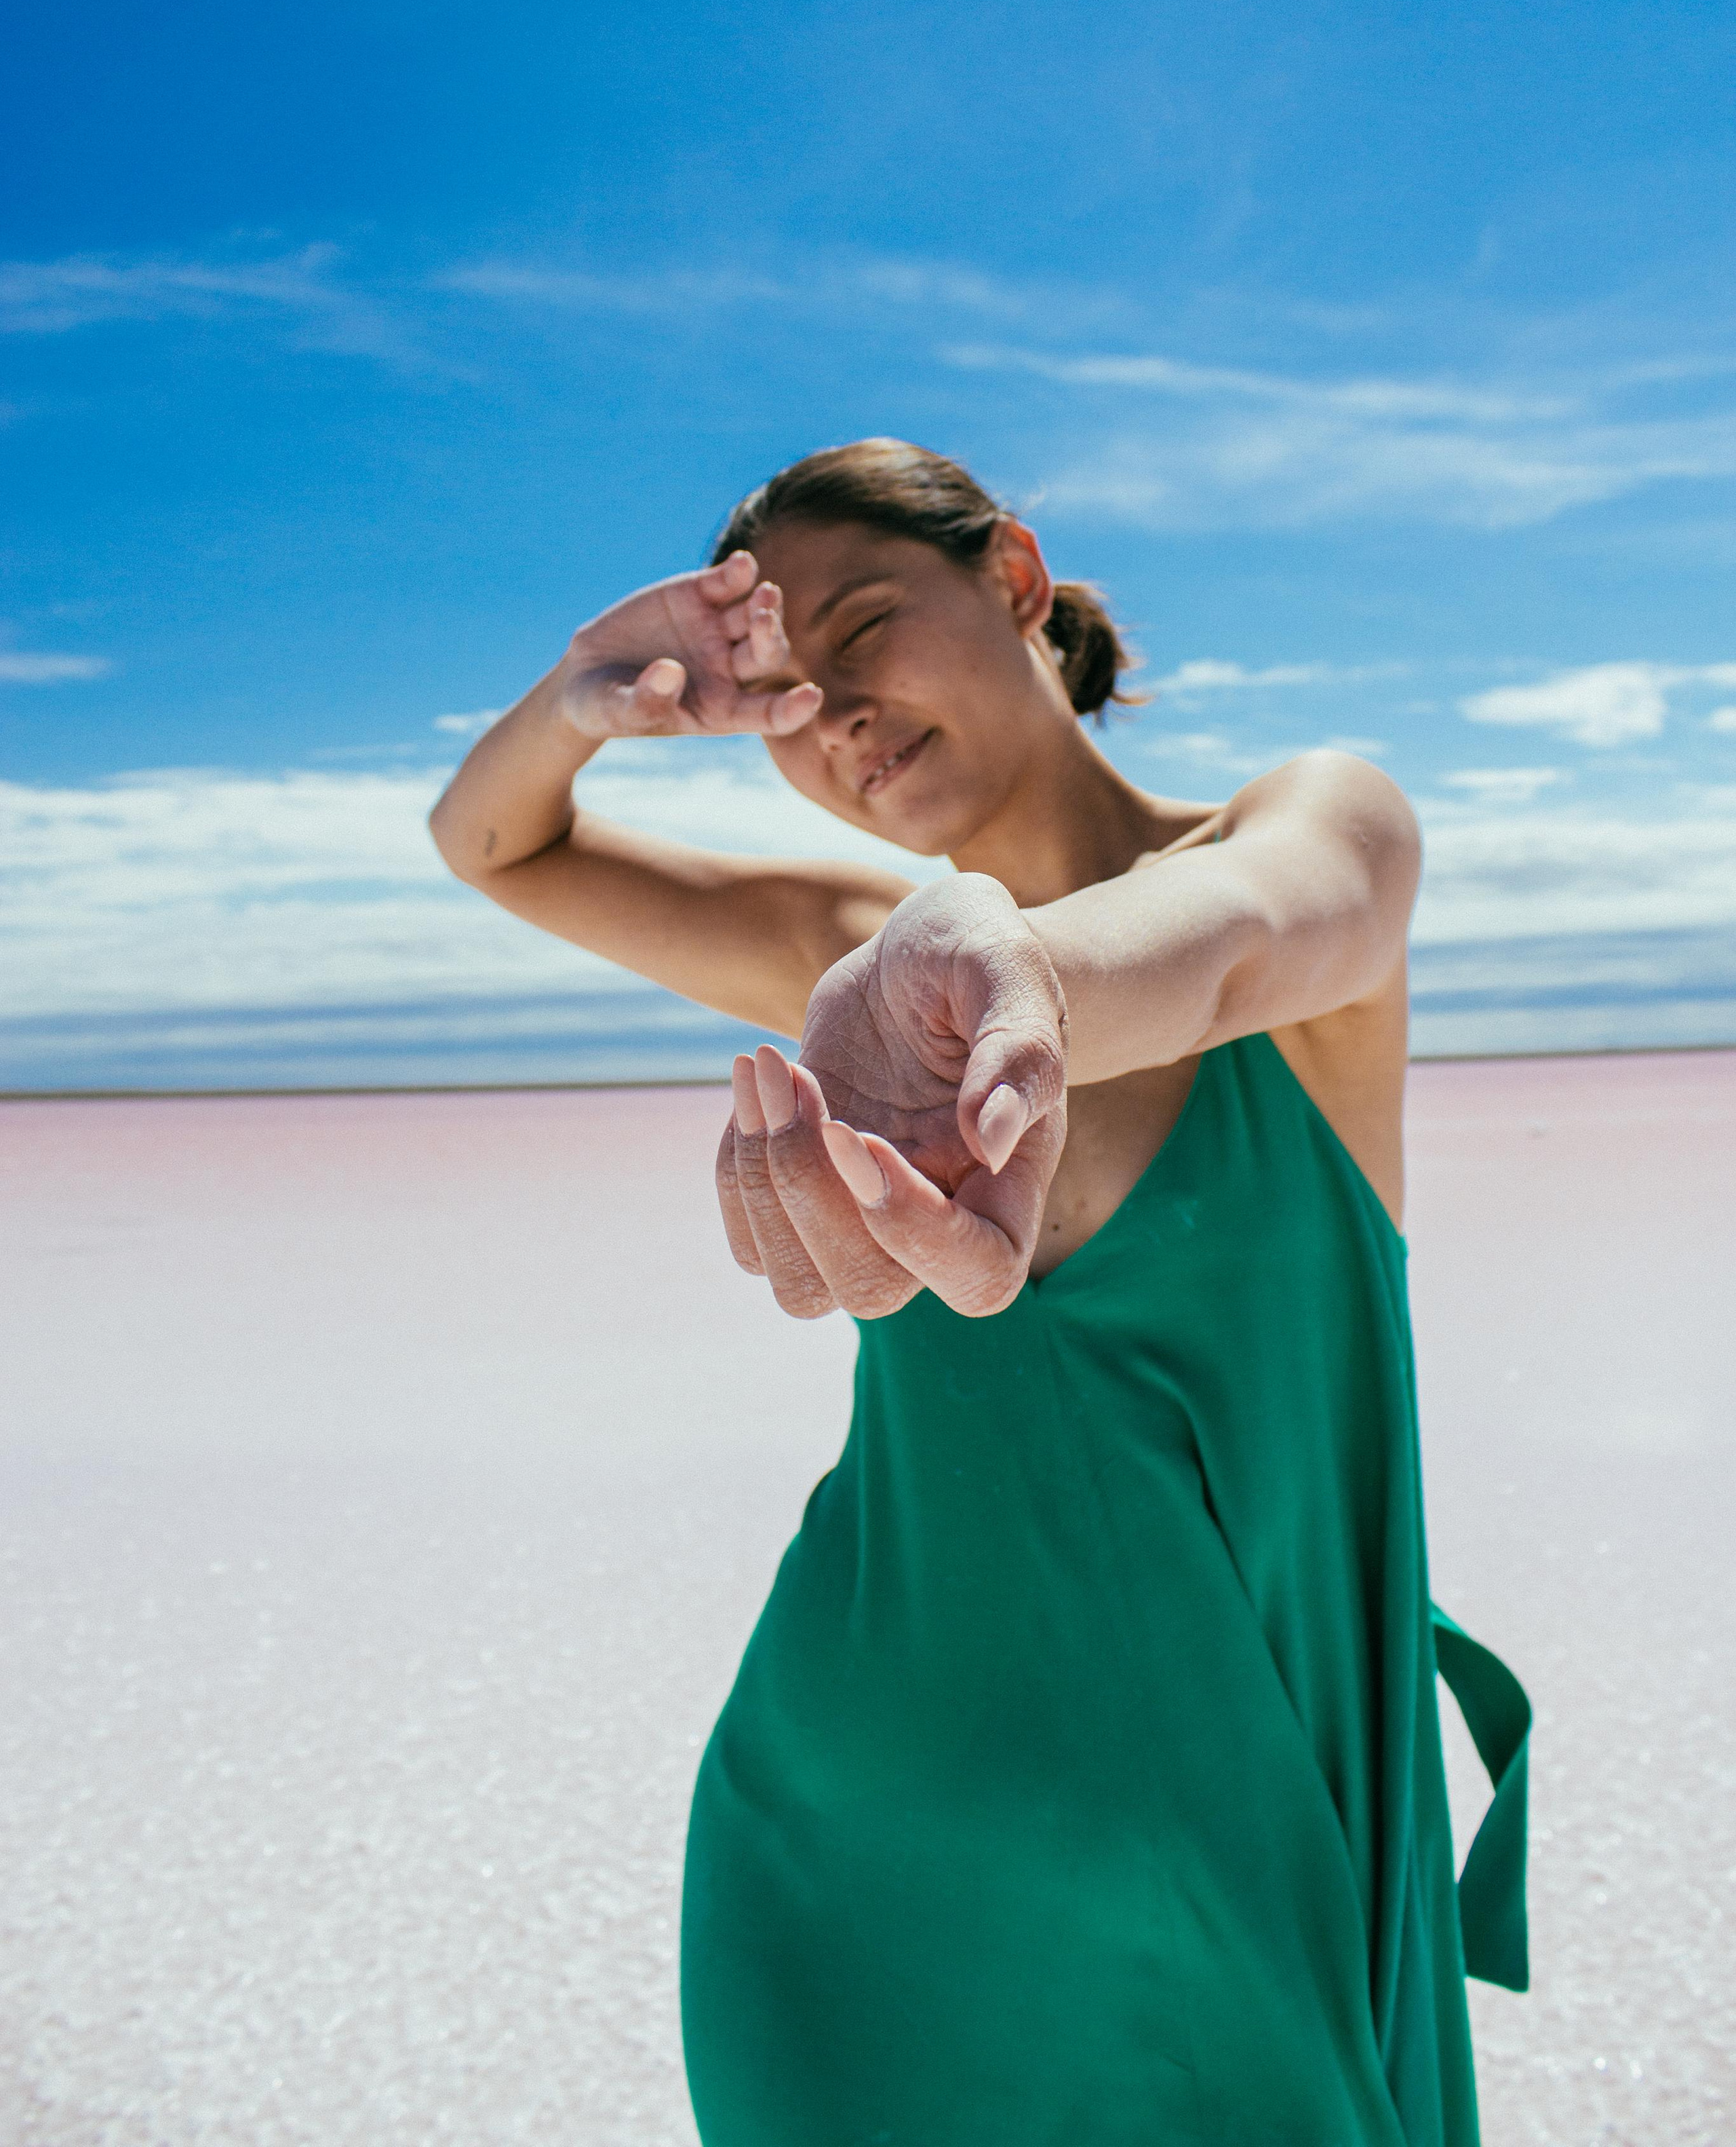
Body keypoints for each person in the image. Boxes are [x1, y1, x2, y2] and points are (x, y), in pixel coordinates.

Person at [429, 437, 1528, 2147]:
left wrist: (1009, 977)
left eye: (865, 626)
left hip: (1253, 1859)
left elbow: (1244, 929)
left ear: (1013, 575)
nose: (843, 711)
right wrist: (582, 699)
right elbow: (493, 843)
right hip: (857, 1858)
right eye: (787, 696)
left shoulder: (1306, 826)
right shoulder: (844, 949)